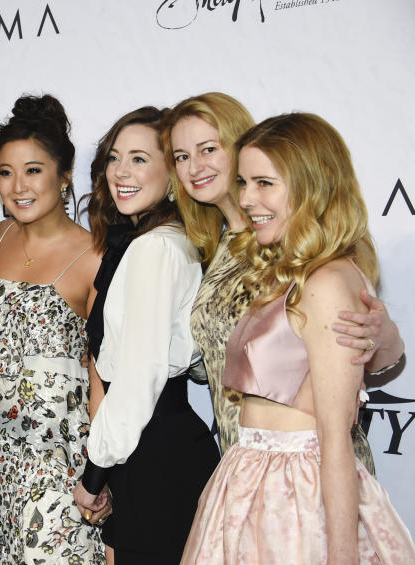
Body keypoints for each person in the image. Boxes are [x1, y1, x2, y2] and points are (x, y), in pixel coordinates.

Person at [172, 112, 415, 565]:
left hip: (300, 497)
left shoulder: (325, 281)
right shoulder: (280, 264)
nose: (246, 198)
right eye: (244, 182)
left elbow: (335, 434)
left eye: (265, 183)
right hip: (250, 479)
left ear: (313, 187)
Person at [163, 92, 402, 465]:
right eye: (181, 157)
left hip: (311, 471)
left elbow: (378, 353)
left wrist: (382, 333)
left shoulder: (296, 237)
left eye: (208, 149)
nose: (194, 167)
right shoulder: (219, 244)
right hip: (244, 467)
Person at [73, 107, 220, 565]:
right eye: (115, 158)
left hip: (156, 456)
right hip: (143, 455)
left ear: (174, 177)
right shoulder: (152, 243)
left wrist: (94, 474)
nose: (121, 172)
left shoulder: (155, 248)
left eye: (139, 159)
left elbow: (138, 380)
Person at [0, 94, 107, 565]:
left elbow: (101, 374)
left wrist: (100, 473)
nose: (18, 186)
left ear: (65, 174)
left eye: (33, 170)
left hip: (63, 471)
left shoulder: (95, 255)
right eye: (6, 173)